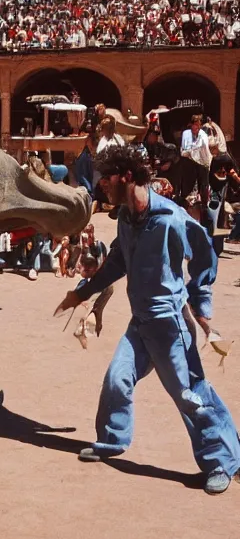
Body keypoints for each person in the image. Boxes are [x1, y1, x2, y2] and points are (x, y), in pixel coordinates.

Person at [54, 144, 240, 495]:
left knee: (190, 395)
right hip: (140, 323)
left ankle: (221, 462)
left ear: (126, 176)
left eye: (107, 179)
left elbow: (203, 253)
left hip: (170, 325)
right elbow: (117, 261)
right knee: (117, 379)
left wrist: (201, 303)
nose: (103, 186)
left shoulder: (170, 218)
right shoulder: (125, 217)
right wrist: (84, 292)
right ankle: (111, 441)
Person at [180, 114, 214, 210]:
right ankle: (185, 205)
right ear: (191, 125)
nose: (196, 127)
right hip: (189, 163)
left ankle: (203, 207)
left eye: (198, 125)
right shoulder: (186, 134)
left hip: (202, 163)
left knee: (203, 186)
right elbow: (183, 151)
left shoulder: (203, 135)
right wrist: (191, 151)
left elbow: (204, 150)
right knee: (187, 187)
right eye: (195, 125)